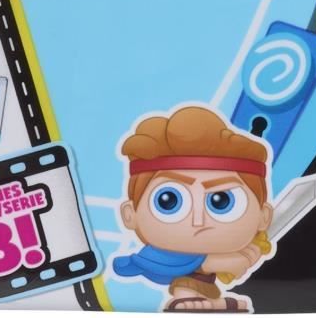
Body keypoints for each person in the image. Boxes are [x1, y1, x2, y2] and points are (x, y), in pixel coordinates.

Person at [113, 106, 273, 312]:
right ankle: (185, 298)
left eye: (221, 200)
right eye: (168, 200)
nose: (198, 221)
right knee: (187, 281)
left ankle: (208, 299)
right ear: (130, 214)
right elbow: (165, 262)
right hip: (178, 291)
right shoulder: (157, 257)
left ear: (264, 216)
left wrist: (246, 254)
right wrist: (218, 262)